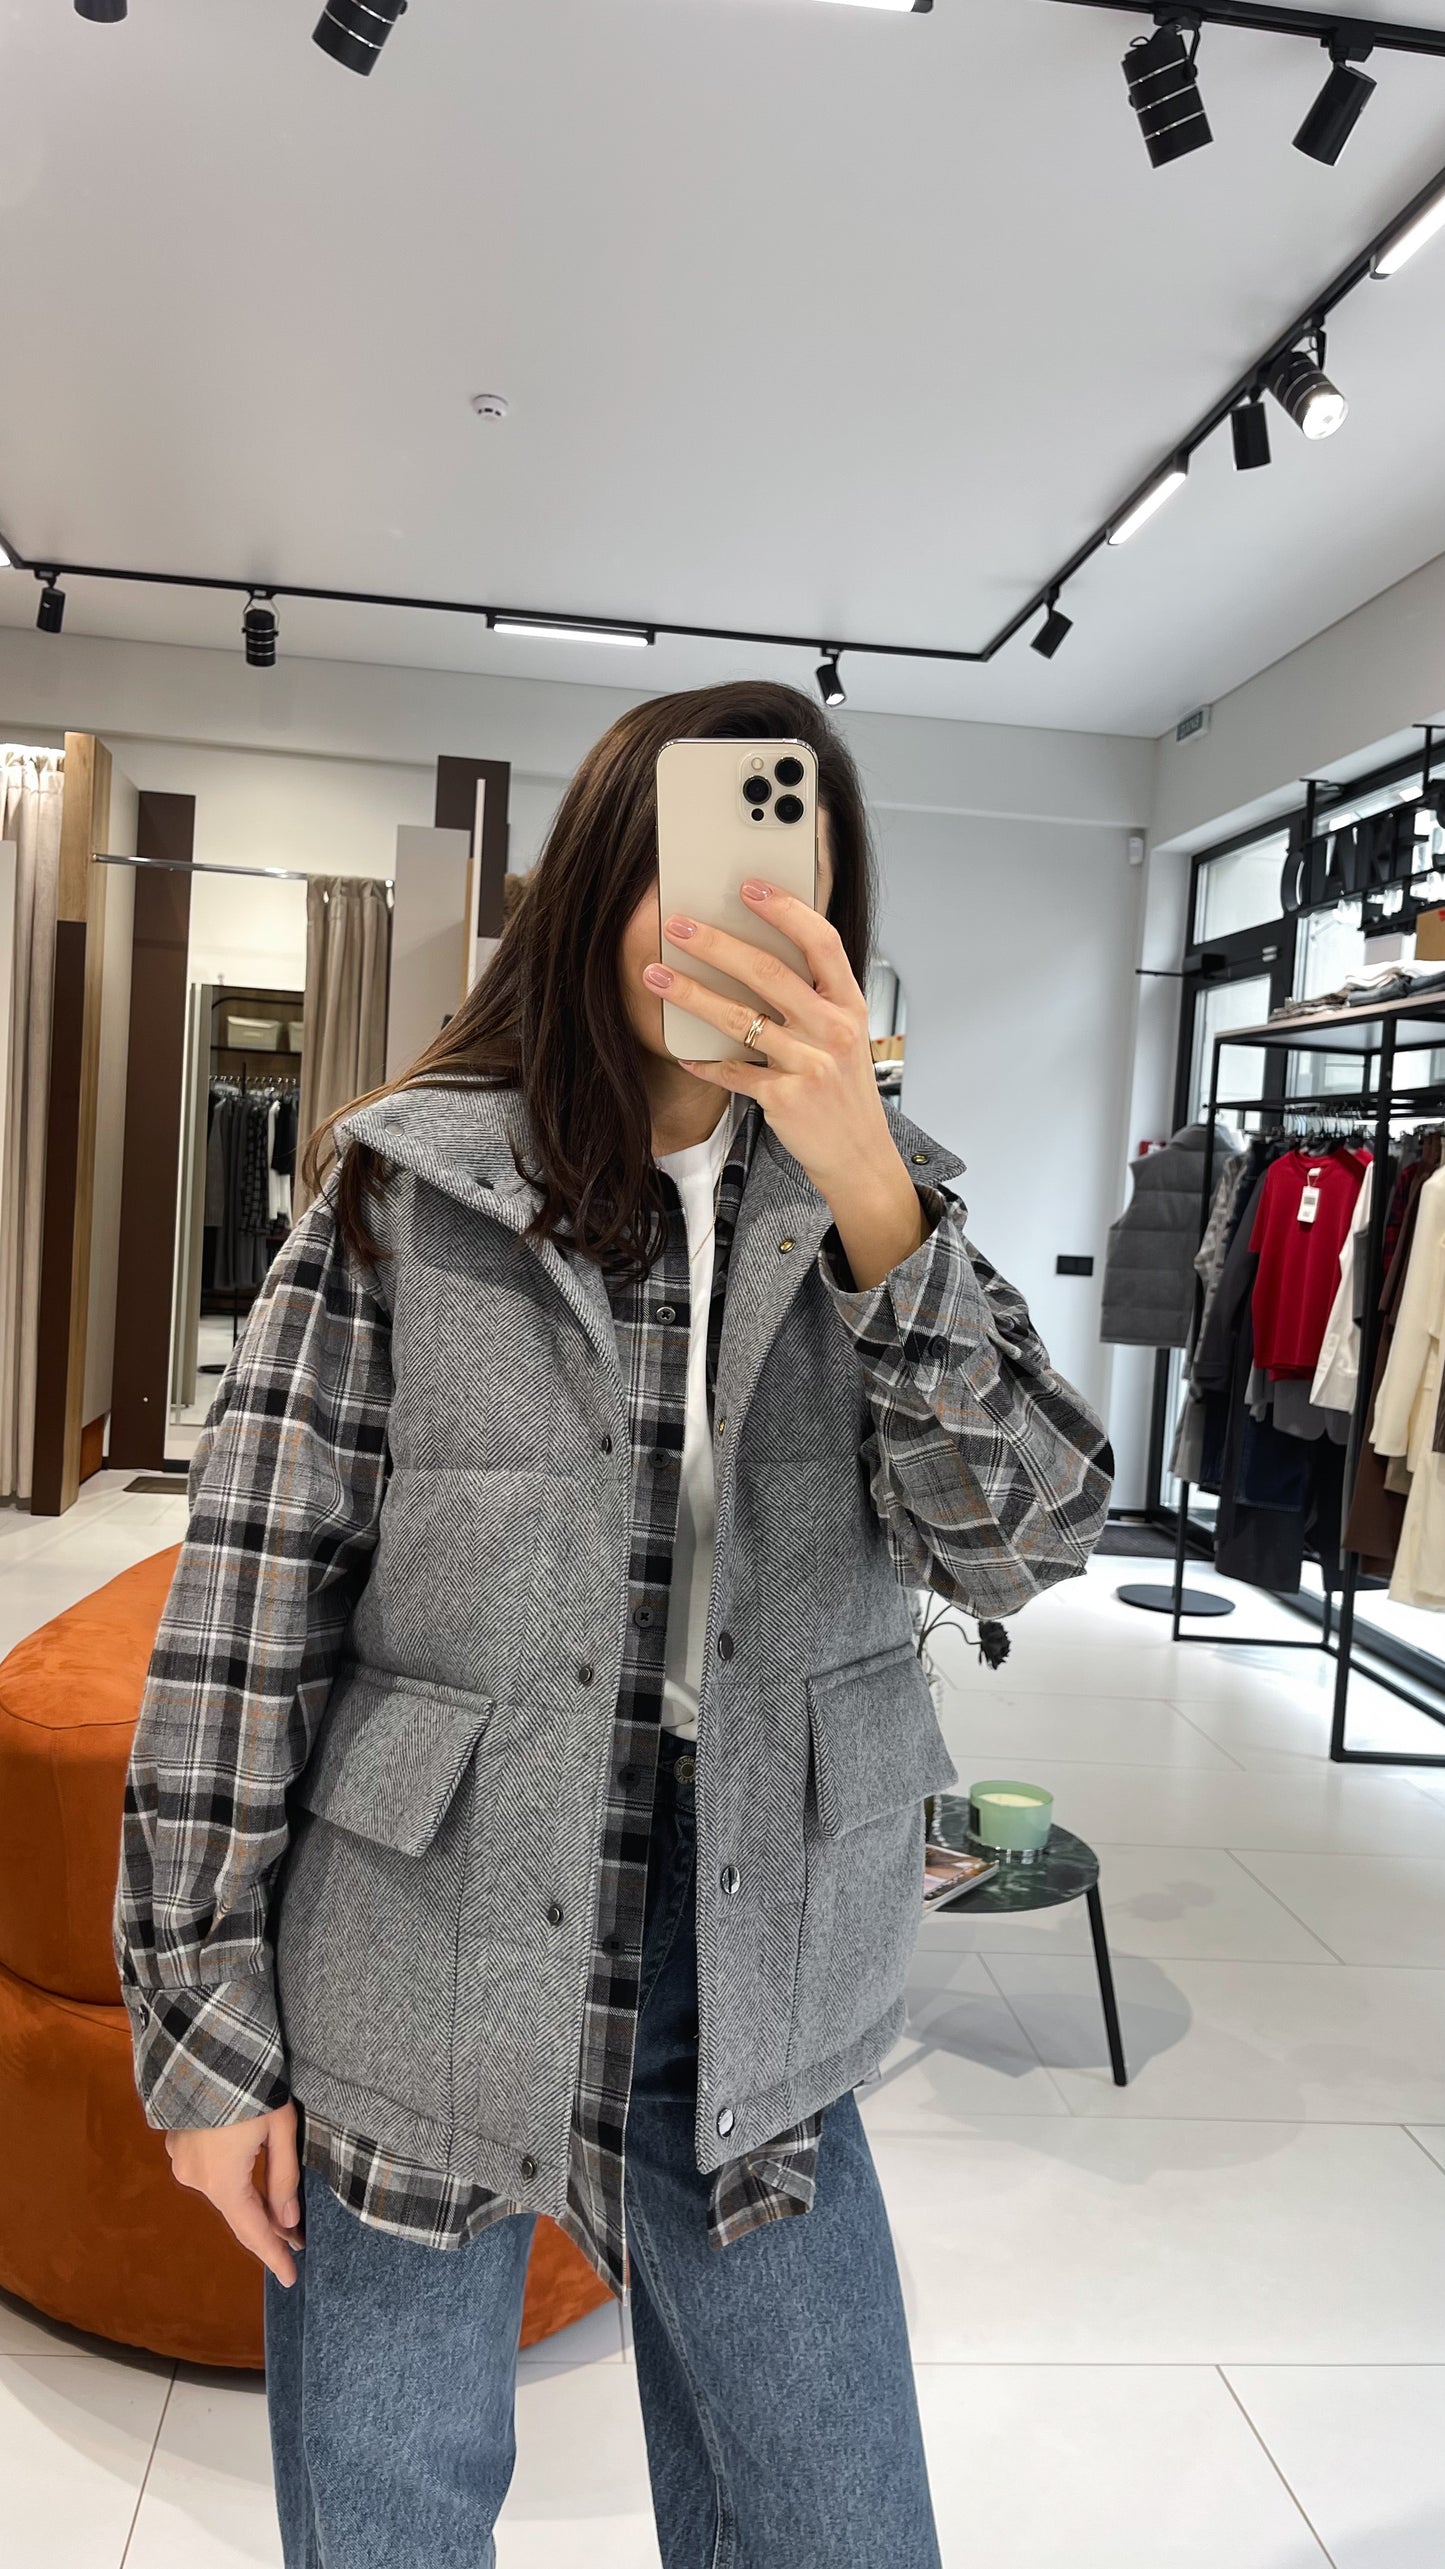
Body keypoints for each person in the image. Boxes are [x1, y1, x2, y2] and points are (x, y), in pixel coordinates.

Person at [115, 679, 1112, 2569]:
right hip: (424, 1934)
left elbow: (1025, 1540)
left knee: (839, 2529)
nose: (730, 912)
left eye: (780, 871)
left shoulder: (880, 1210)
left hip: (759, 1940)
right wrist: (203, 2027)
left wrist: (872, 1189)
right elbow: (246, 1612)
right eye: (682, 863)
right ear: (591, 890)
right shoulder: (411, 1190)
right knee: (389, 2526)